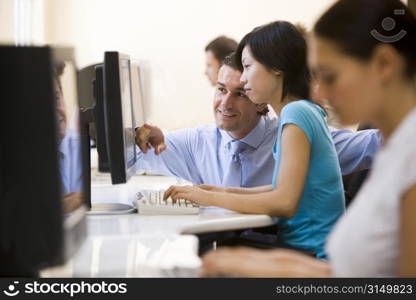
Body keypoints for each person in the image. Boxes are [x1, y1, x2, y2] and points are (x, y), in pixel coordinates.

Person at [201, 0, 416, 277]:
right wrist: (278, 265)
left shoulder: (409, 163)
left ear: (384, 64)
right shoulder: (394, 153)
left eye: (329, 76)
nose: (321, 94)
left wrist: (286, 271)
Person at [164, 21, 346, 259]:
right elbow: (283, 188)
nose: (245, 78)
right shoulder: (301, 111)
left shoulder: (296, 113)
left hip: (312, 256)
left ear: (276, 68)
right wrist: (222, 190)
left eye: (248, 67)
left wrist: (209, 198)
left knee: (214, 259)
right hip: (305, 250)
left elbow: (284, 202)